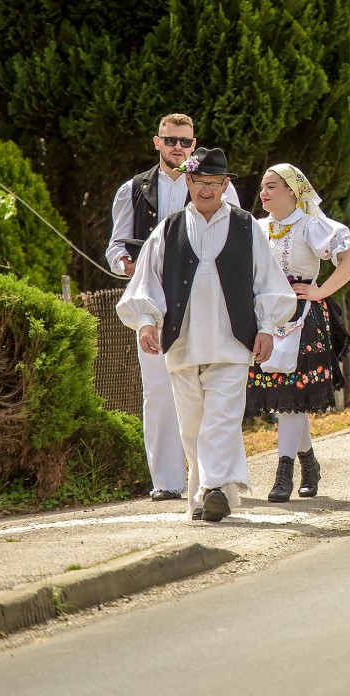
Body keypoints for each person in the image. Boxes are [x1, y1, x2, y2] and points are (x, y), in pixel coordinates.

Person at [117, 148, 294, 521]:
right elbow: (145, 282)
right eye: (198, 182)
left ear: (225, 184)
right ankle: (207, 496)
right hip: (182, 343)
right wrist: (147, 322)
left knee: (222, 416)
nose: (205, 190)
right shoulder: (169, 229)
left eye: (214, 183)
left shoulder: (248, 227)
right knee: (193, 424)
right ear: (189, 183)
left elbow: (270, 284)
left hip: (232, 343)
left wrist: (265, 328)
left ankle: (213, 487)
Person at [106, 113, 239, 503]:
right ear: (157, 142)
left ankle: (214, 478)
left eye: (184, 141)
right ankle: (167, 481)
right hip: (153, 300)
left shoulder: (214, 186)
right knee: (158, 390)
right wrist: (124, 265)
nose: (177, 147)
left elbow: (235, 232)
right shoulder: (132, 190)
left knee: (211, 390)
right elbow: (115, 244)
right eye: (170, 140)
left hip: (204, 299)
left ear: (194, 144)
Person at [250, 164, 350, 503]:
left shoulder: (311, 225)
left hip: (303, 318)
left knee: (291, 398)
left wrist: (320, 291)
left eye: (272, 186)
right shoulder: (257, 228)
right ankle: (309, 464)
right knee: (289, 398)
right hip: (266, 319)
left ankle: (283, 473)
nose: (264, 192)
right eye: (262, 186)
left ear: (292, 191)